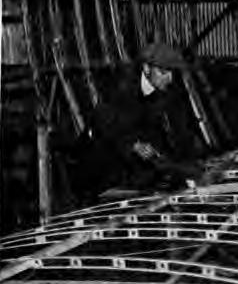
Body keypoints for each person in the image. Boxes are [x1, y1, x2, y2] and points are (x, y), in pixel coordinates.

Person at [70, 42, 205, 202]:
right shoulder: (119, 87)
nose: (170, 79)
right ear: (147, 68)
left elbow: (177, 130)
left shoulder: (168, 91)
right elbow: (104, 124)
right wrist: (133, 144)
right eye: (163, 72)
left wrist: (187, 165)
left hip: (136, 159)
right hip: (102, 159)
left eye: (172, 73)